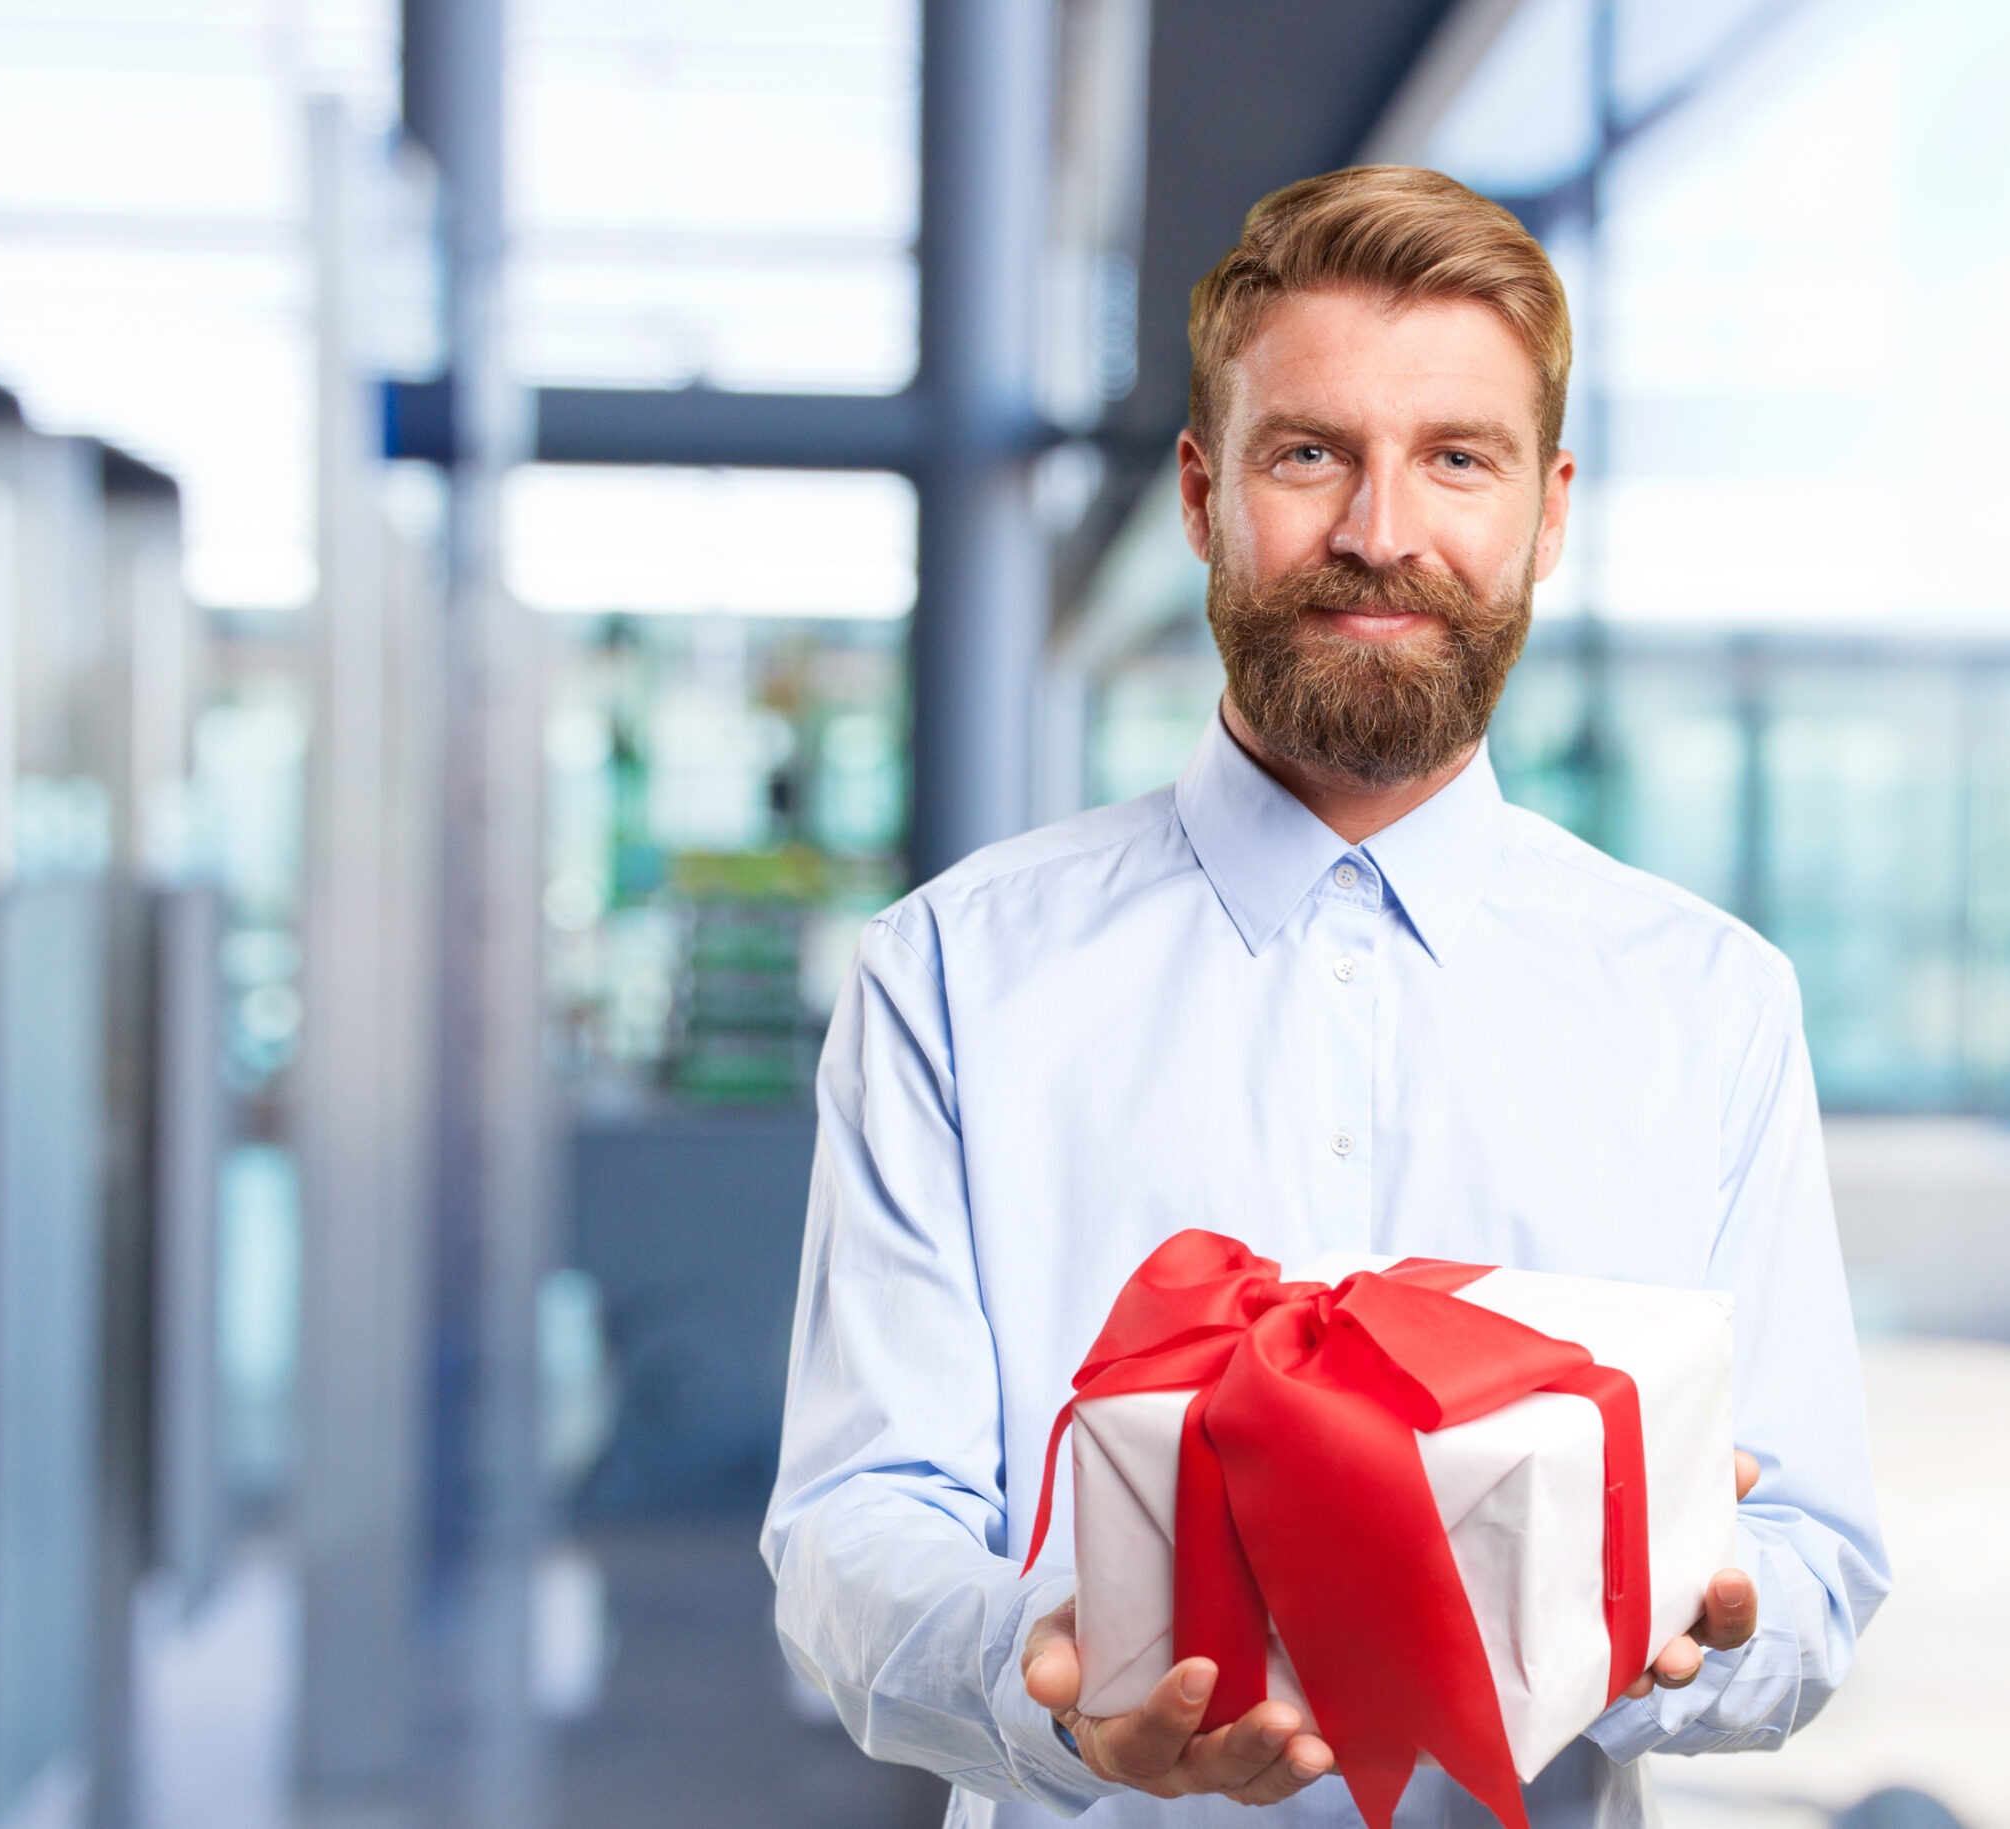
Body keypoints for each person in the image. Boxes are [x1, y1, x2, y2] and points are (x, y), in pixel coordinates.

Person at [763, 165, 1889, 1828]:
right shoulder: (955, 971)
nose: (1381, 529)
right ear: (1205, 493)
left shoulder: (1706, 1001)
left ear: (1547, 509)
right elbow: (858, 1523)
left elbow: (1810, 1548)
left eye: (1456, 457)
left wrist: (1697, 1628)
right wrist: (1061, 1689)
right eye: (1312, 453)